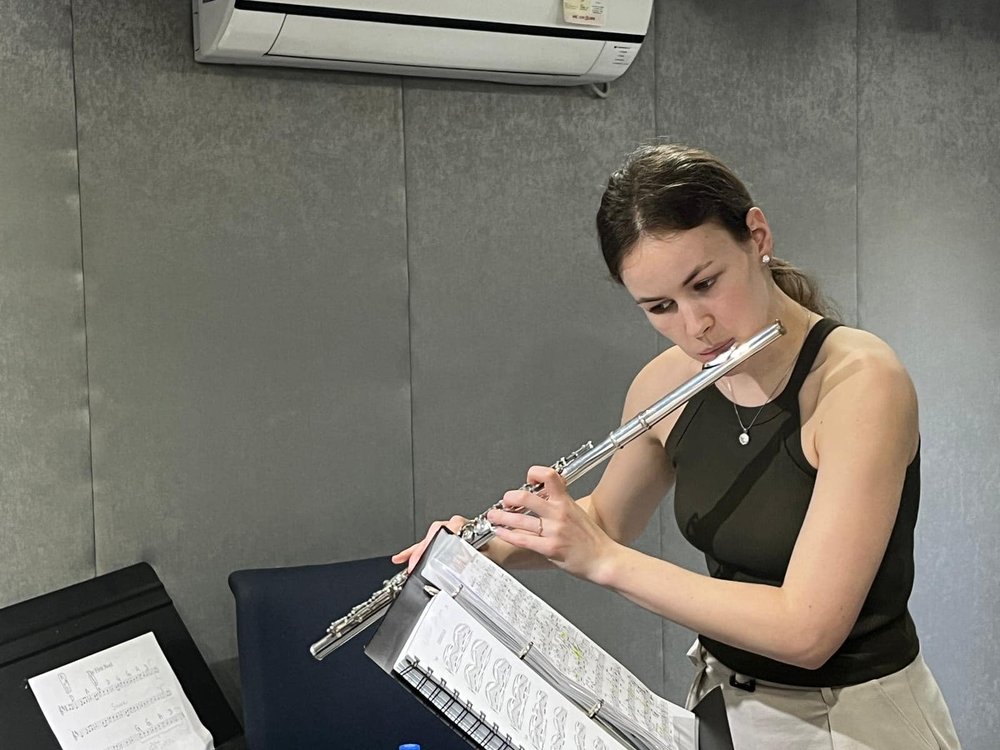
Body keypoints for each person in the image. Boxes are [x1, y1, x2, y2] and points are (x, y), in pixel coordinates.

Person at [393, 144, 960, 749]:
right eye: (660, 307)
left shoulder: (860, 381)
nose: (695, 327)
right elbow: (607, 517)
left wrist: (604, 563)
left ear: (757, 236)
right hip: (724, 706)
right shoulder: (666, 382)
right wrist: (484, 552)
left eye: (705, 284)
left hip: (855, 721)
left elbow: (807, 630)